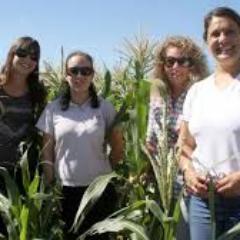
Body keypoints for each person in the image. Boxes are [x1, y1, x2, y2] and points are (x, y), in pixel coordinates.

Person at [37, 50, 124, 239]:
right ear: (65, 75)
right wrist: (52, 186)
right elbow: (47, 152)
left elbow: (118, 146)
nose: (79, 76)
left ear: (92, 75)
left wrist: (106, 171)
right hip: (65, 192)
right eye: (73, 71)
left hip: (98, 191)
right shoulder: (53, 108)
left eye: (85, 71)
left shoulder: (105, 107)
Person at [179, 7, 240, 240]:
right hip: (202, 203)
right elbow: (184, 147)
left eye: (230, 32)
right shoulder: (197, 91)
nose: (223, 39)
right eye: (215, 34)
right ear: (206, 41)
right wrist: (189, 173)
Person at [146, 36, 208, 240]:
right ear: (162, 65)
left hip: (190, 184)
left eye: (182, 61)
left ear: (193, 64)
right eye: (169, 61)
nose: (175, 67)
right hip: (161, 183)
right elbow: (151, 141)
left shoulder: (201, 95)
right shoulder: (157, 96)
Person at [0, 36, 46, 234]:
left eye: (34, 56)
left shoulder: (37, 92)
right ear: (12, 55)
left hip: (22, 172)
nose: (28, 59)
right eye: (22, 53)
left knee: (16, 226)